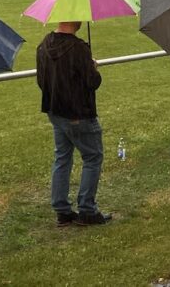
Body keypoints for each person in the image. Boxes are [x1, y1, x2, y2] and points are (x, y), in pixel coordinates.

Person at [36, 21, 109, 226]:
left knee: (62, 157)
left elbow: (41, 81)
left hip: (56, 112)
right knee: (93, 157)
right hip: (78, 114)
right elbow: (93, 82)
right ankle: (87, 209)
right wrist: (93, 67)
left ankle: (62, 209)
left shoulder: (43, 45)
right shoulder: (79, 49)